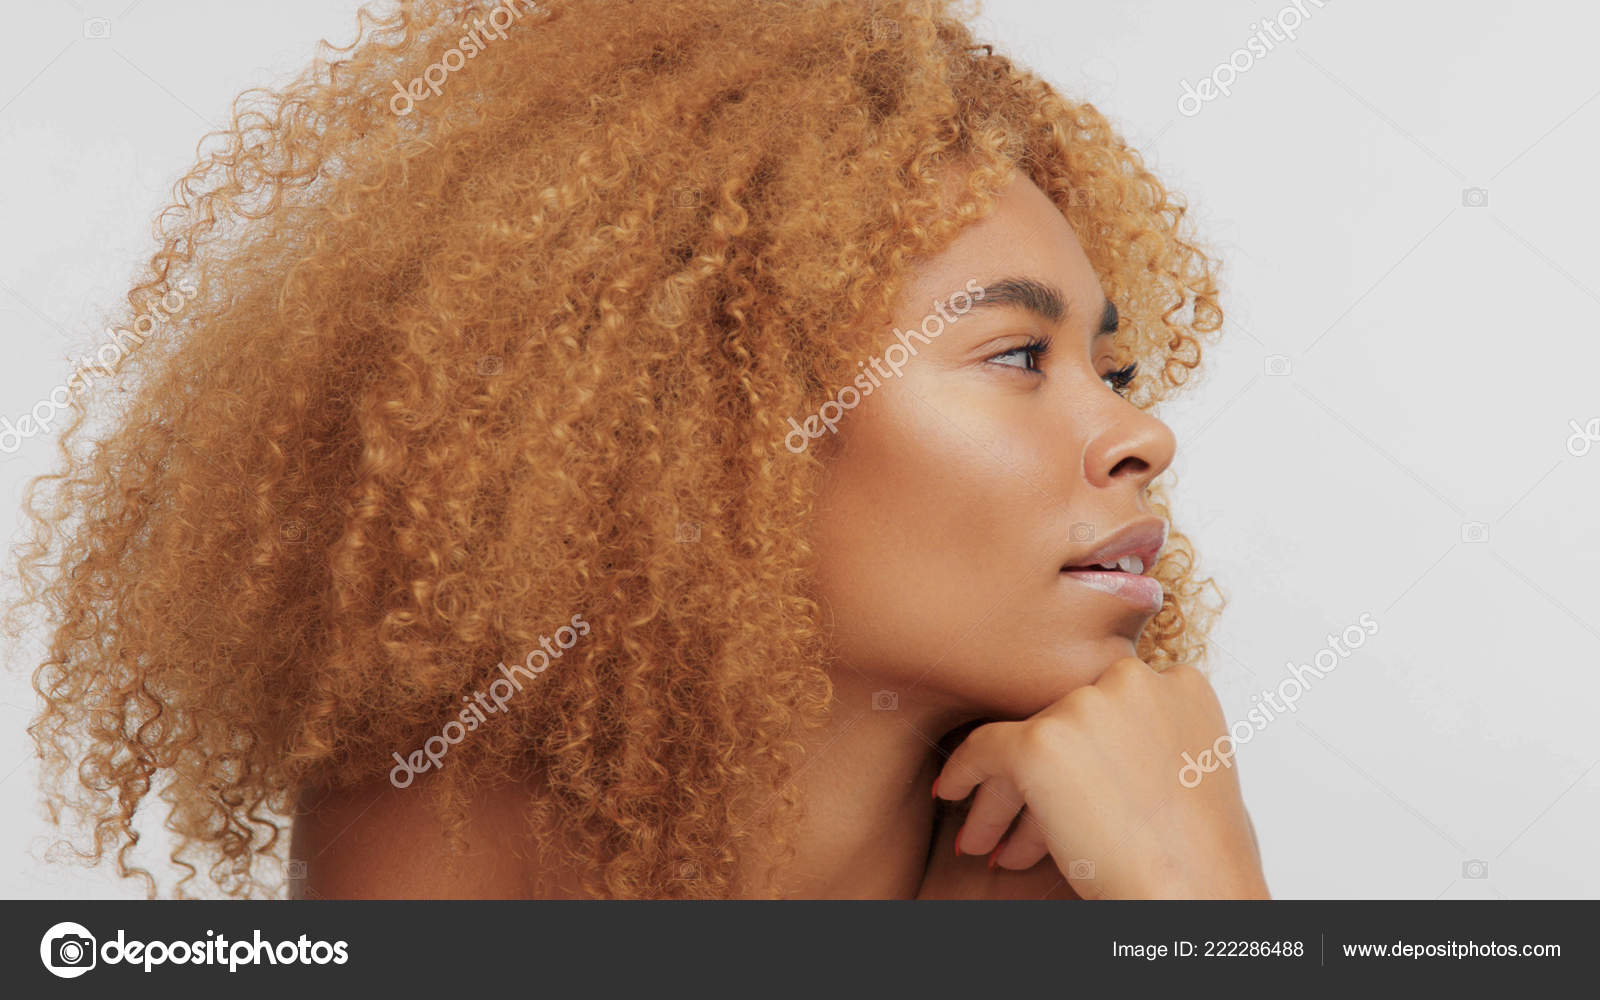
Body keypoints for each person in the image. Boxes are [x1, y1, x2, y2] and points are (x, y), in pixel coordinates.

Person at [7, 0, 1262, 899]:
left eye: (1113, 369)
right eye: (1010, 357)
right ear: (710, 430)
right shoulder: (444, 811)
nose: (1140, 433)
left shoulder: (1089, 832)